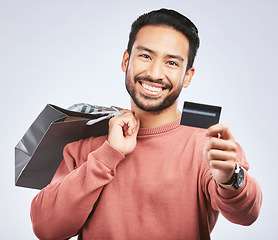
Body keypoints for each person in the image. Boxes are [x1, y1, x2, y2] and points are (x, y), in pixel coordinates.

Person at [30, 8, 262, 240]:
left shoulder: (209, 143)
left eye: (171, 62)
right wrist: (107, 155)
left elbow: (246, 215)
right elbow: (46, 228)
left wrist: (230, 179)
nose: (154, 73)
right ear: (125, 60)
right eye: (145, 56)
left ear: (188, 76)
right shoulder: (87, 142)